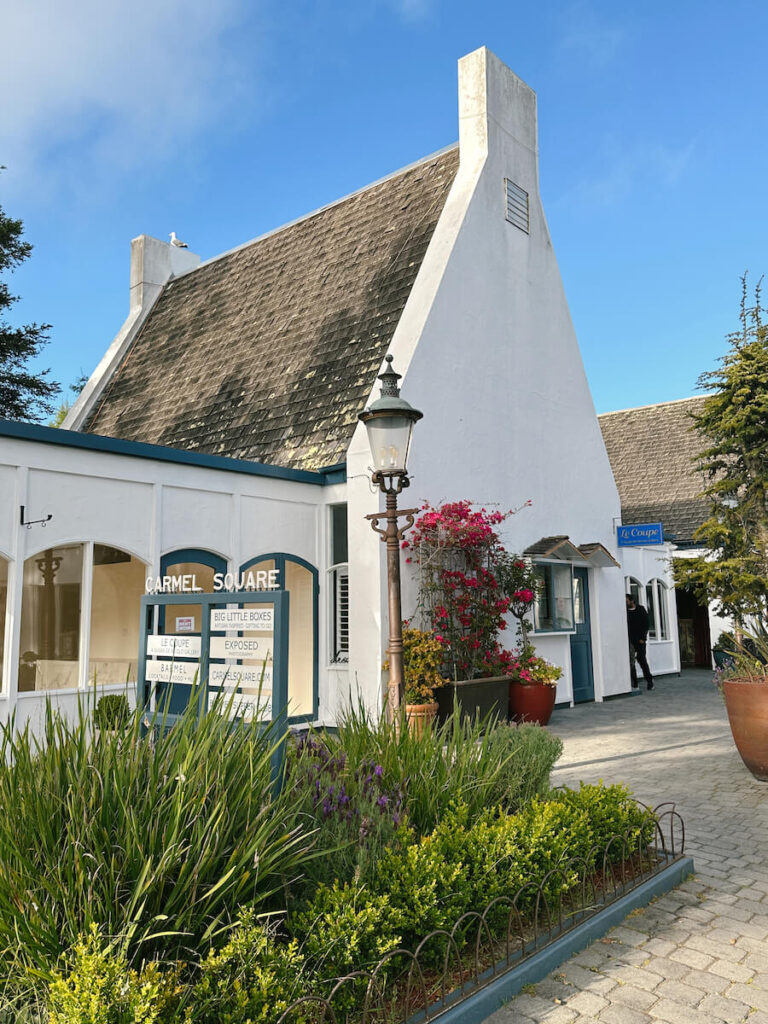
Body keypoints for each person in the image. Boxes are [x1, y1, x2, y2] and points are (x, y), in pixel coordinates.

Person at [626, 595, 654, 691]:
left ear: (632, 601)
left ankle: (649, 681)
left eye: (627, 601)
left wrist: (643, 638)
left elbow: (646, 623)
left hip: (640, 640)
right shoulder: (625, 612)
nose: (625, 603)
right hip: (629, 640)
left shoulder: (640, 609)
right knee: (631, 661)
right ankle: (635, 683)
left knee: (641, 659)